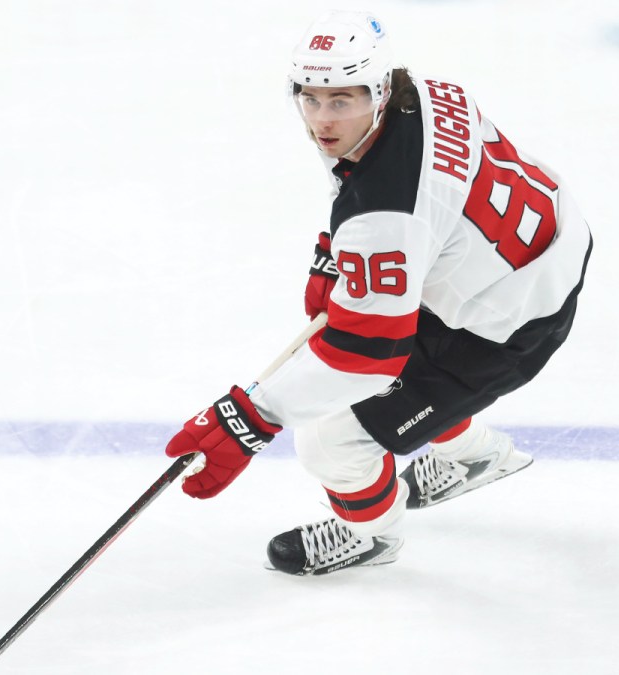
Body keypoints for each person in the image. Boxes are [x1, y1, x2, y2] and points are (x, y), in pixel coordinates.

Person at [164, 10, 593, 576]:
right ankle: (475, 456)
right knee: (389, 386)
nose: (322, 119)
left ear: (379, 88)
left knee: (329, 441)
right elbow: (396, 192)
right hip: (534, 250)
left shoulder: (387, 219)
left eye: (342, 99)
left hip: (505, 323)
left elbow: (365, 360)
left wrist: (251, 417)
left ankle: (371, 535)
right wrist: (336, 252)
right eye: (310, 97)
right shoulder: (423, 93)